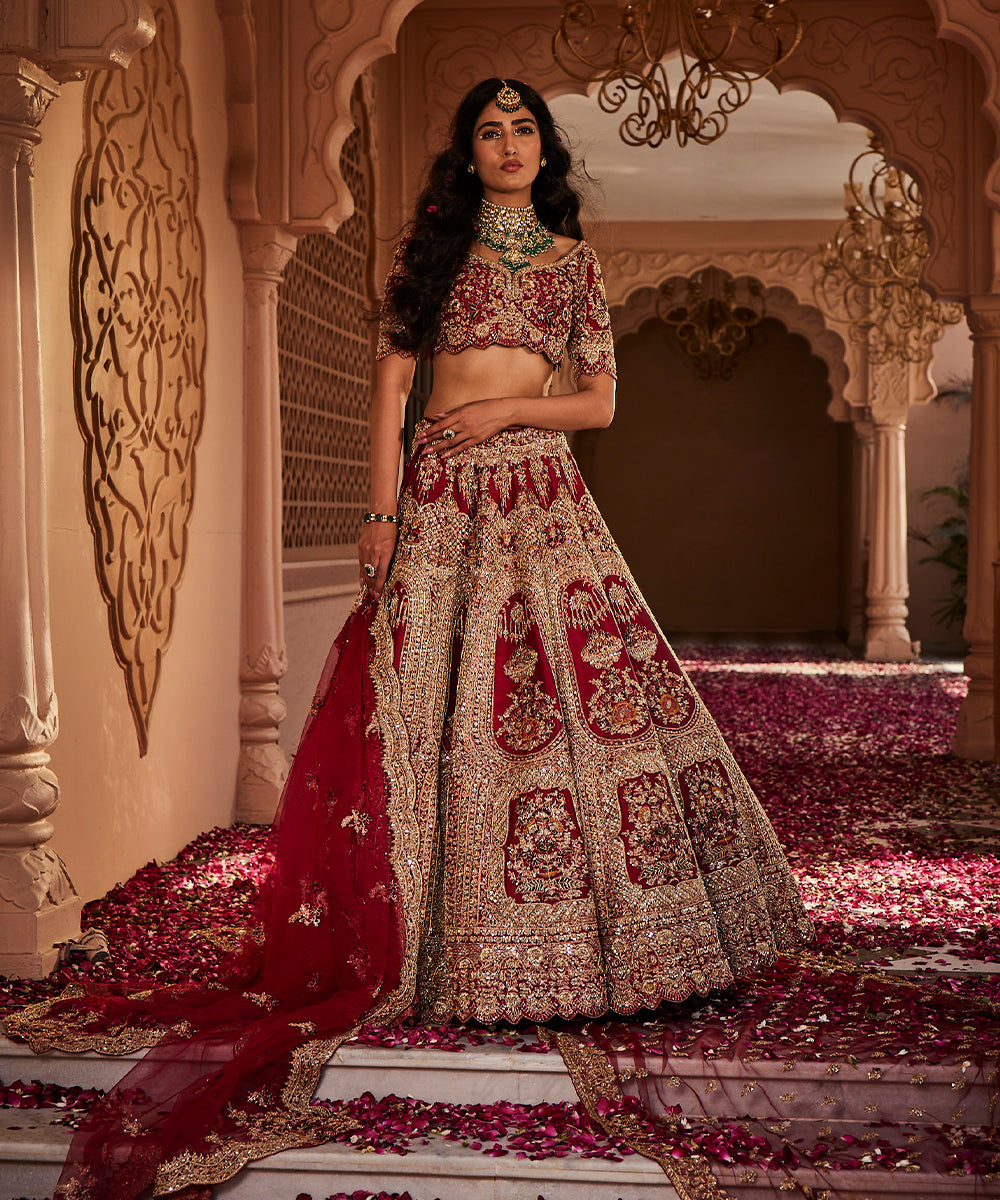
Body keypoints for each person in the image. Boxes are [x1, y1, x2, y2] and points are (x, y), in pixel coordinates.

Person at [5, 77, 812, 1198]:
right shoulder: (432, 254)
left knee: (572, 709)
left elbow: (600, 404)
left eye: (524, 127)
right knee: (426, 707)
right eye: (489, 129)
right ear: (466, 152)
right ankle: (434, 943)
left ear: (545, 148)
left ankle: (590, 943)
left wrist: (505, 412)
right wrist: (379, 518)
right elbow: (390, 386)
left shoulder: (573, 261)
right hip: (437, 502)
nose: (509, 143)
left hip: (538, 492)